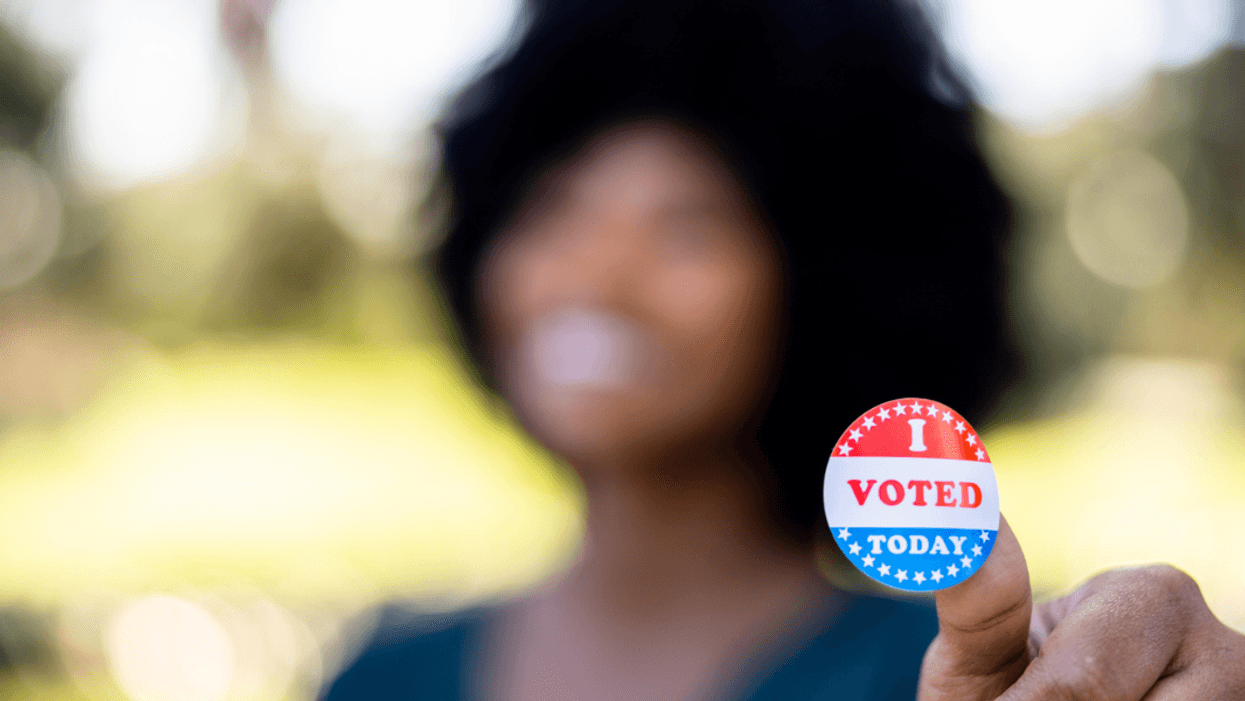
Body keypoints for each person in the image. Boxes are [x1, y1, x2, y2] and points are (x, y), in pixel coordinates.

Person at [324, 0, 1245, 699]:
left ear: (824, 282)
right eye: (551, 208)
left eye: (686, 226)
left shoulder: (977, 672)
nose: (596, 277)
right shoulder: (379, 676)